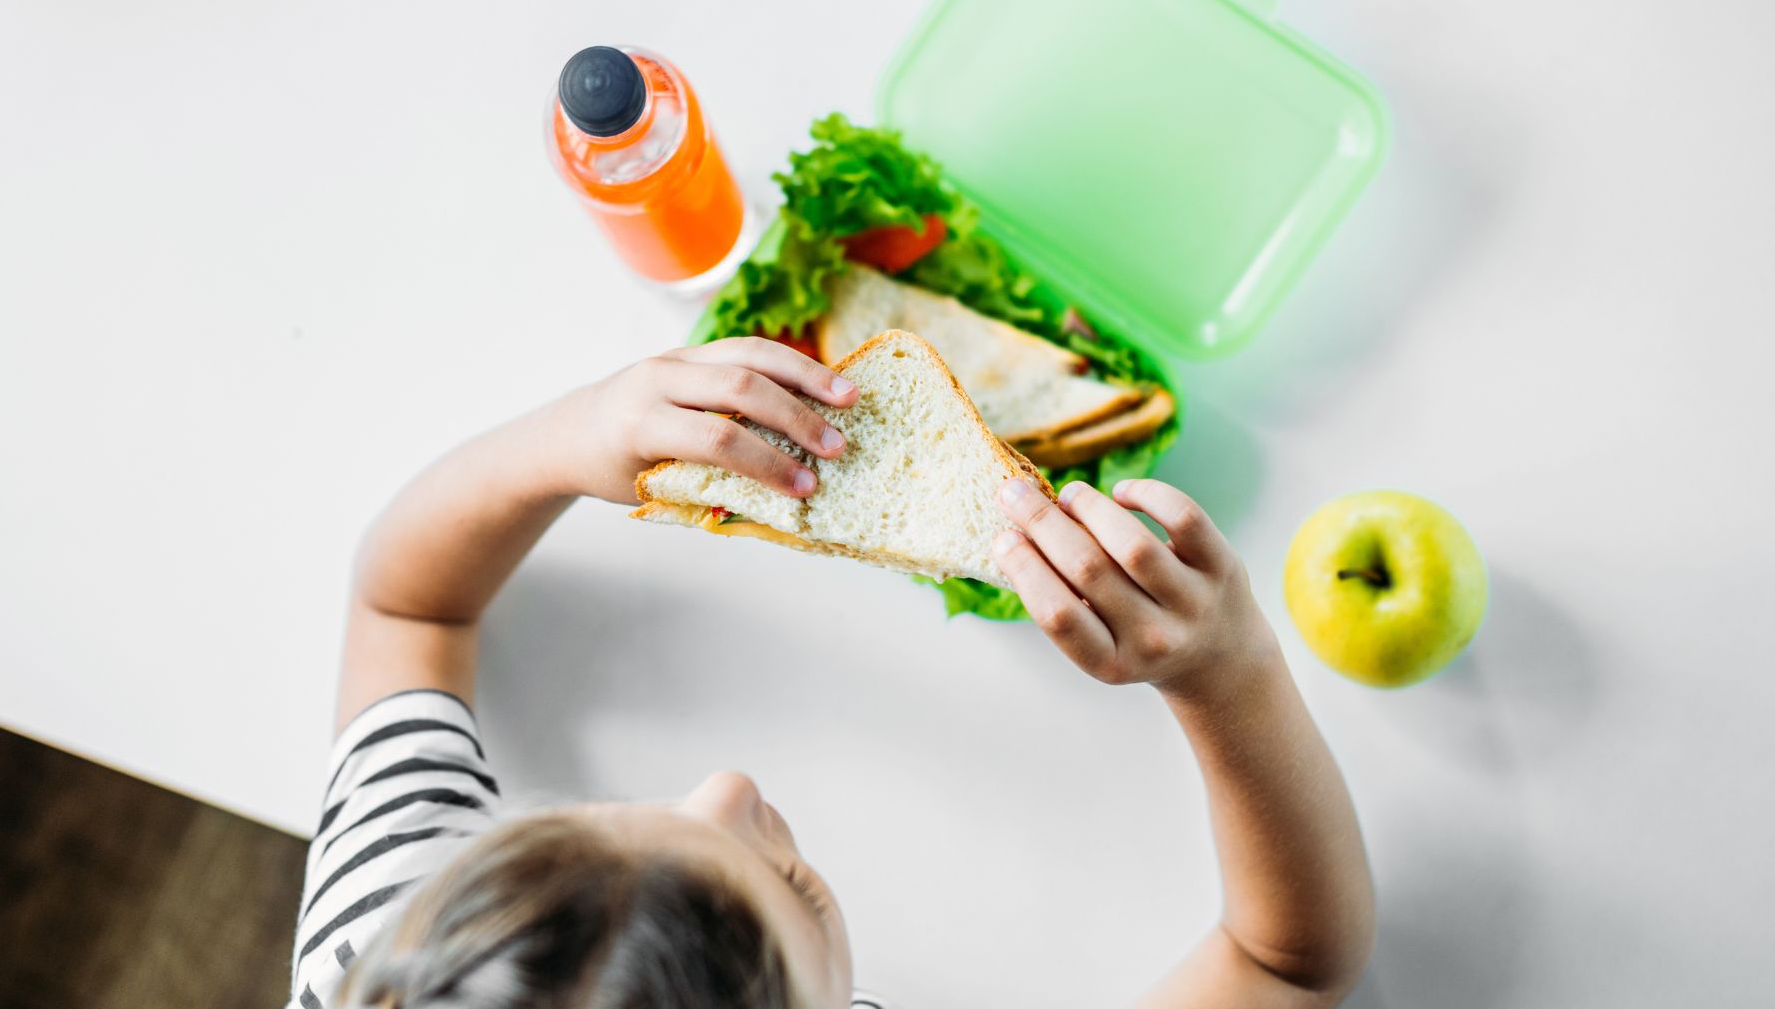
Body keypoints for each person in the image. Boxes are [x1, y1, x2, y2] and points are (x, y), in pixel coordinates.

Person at [288, 338, 1375, 1009]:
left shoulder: (389, 938)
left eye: (602, 819)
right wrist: (1228, 677)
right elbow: (1289, 968)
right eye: (794, 896)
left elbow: (404, 605)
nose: (732, 790)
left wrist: (573, 437)